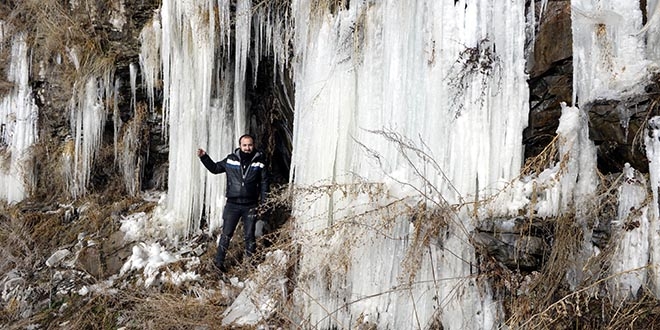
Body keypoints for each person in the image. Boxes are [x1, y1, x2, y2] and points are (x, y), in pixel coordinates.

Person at [197, 134, 269, 272]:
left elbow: (265, 185)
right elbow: (215, 169)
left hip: (250, 205)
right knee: (226, 234)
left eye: (250, 145)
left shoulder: (260, 162)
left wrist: (264, 204)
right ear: (240, 145)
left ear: (253, 145)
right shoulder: (231, 160)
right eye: (245, 145)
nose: (247, 148)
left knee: (249, 235)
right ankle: (219, 264)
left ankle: (250, 265)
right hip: (233, 204)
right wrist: (204, 157)